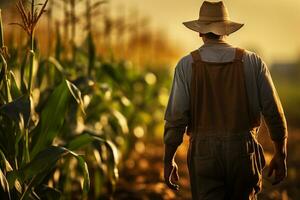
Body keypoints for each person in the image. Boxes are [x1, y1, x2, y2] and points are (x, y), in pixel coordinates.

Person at [163, 1, 288, 199]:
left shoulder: (186, 65)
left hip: (204, 154)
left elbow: (176, 118)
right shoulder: (253, 62)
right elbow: (274, 111)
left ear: (199, 32)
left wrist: (168, 159)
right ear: (227, 31)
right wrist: (280, 153)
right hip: (243, 151)